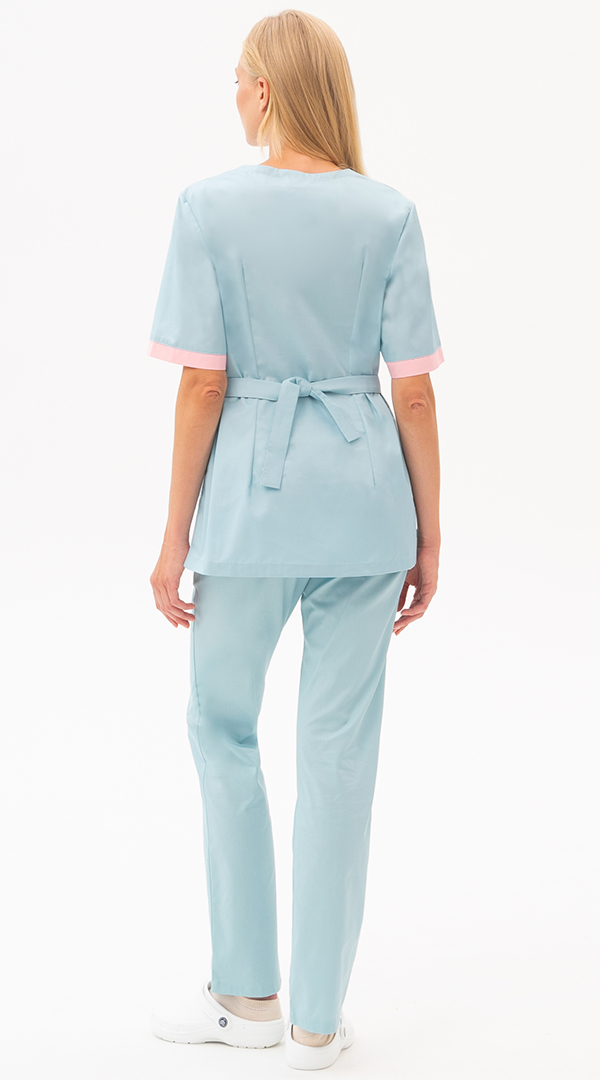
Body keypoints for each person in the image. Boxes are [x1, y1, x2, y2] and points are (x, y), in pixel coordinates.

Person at [148, 9, 444, 1072]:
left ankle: (248, 997)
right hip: (367, 515)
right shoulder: (389, 212)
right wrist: (430, 532)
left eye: (238, 78)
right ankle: (318, 1021)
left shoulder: (209, 207)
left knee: (222, 727)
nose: (233, 95)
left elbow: (203, 387)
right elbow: (413, 397)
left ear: (265, 91)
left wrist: (172, 537)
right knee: (339, 757)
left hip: (250, 515)